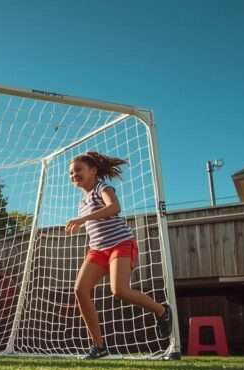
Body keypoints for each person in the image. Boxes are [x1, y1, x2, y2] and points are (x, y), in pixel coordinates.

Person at [64, 151, 174, 359]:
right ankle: (99, 346)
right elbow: (95, 227)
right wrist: (82, 223)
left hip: (120, 244)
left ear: (93, 171)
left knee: (119, 290)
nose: (73, 175)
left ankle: (161, 311)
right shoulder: (82, 202)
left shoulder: (102, 187)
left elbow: (114, 208)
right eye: (70, 173)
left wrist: (82, 220)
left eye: (78, 170)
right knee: (80, 289)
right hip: (97, 249)